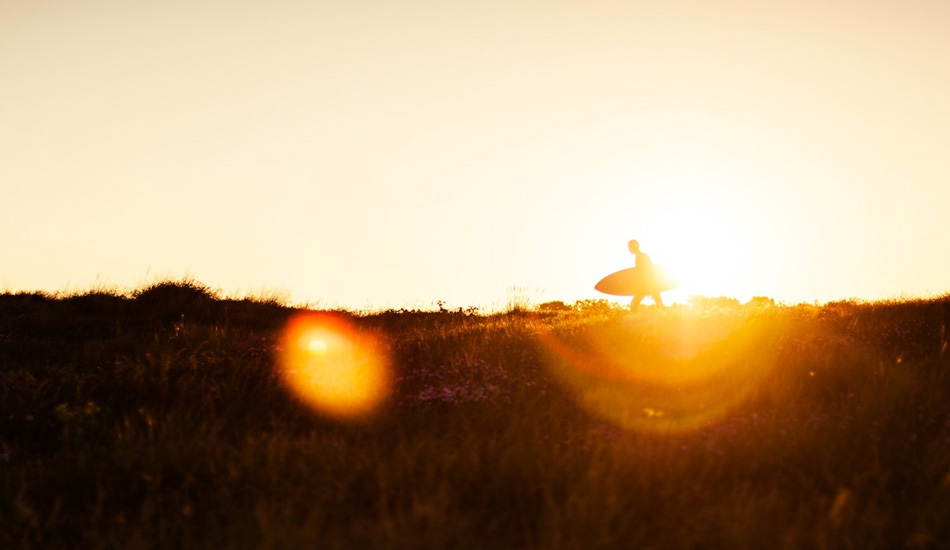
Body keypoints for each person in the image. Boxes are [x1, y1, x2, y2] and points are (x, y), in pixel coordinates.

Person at [628, 239, 664, 312]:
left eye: (630, 247)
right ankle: (634, 320)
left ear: (635, 246)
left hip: (649, 283)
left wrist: (648, 284)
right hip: (644, 284)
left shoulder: (643, 256)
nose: (629, 249)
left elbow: (648, 270)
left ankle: (664, 317)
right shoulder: (639, 257)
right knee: (634, 303)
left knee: (658, 302)